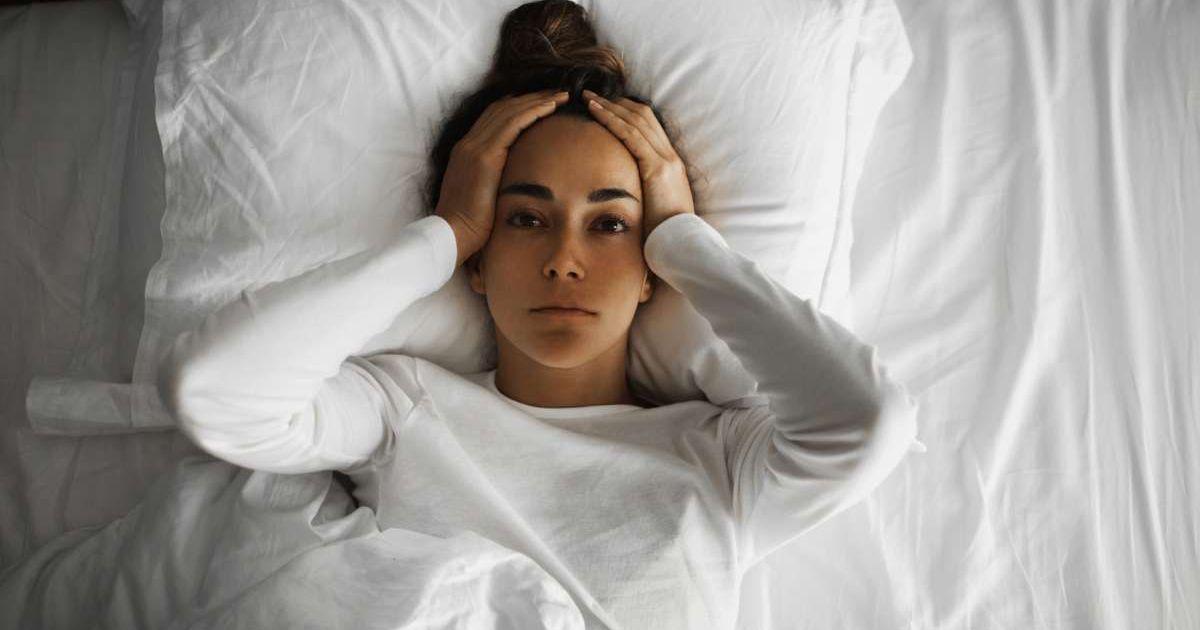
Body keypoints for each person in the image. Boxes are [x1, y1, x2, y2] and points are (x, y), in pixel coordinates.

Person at [158, 1, 921, 628]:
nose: (565, 258)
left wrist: (686, 239)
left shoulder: (722, 457)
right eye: (525, 218)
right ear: (481, 261)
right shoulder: (408, 408)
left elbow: (868, 420)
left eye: (611, 224)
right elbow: (214, 393)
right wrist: (443, 237)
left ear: (654, 266)